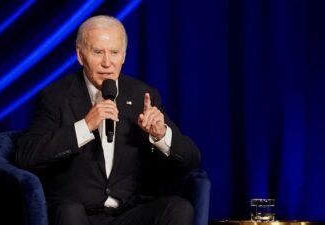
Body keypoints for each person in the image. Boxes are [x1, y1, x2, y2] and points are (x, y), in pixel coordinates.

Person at [15, 15, 201, 225]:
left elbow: (192, 158)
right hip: (78, 214)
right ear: (80, 55)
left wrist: (161, 135)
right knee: (69, 212)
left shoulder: (143, 96)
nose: (107, 63)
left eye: (114, 52)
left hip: (129, 213)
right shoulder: (55, 96)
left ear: (123, 56)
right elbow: (27, 154)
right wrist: (84, 127)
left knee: (178, 208)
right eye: (97, 52)